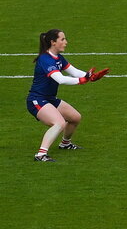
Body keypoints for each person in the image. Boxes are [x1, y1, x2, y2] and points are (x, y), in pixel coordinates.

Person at [27, 29, 109, 162]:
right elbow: (60, 79)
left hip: (49, 99)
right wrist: (81, 81)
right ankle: (41, 154)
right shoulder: (45, 59)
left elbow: (74, 72)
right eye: (62, 39)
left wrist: (90, 76)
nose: (66, 42)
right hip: (37, 100)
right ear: (53, 42)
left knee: (75, 117)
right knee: (59, 123)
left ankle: (65, 144)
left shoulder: (58, 58)